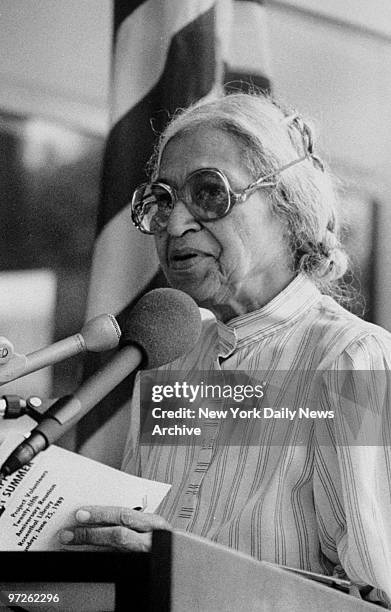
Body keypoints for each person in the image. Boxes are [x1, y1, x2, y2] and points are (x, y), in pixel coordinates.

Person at [58, 92, 391, 606]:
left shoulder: (352, 359)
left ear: (288, 204)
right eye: (162, 199)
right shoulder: (169, 358)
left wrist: (185, 570)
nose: (174, 224)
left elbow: (380, 598)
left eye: (209, 193)